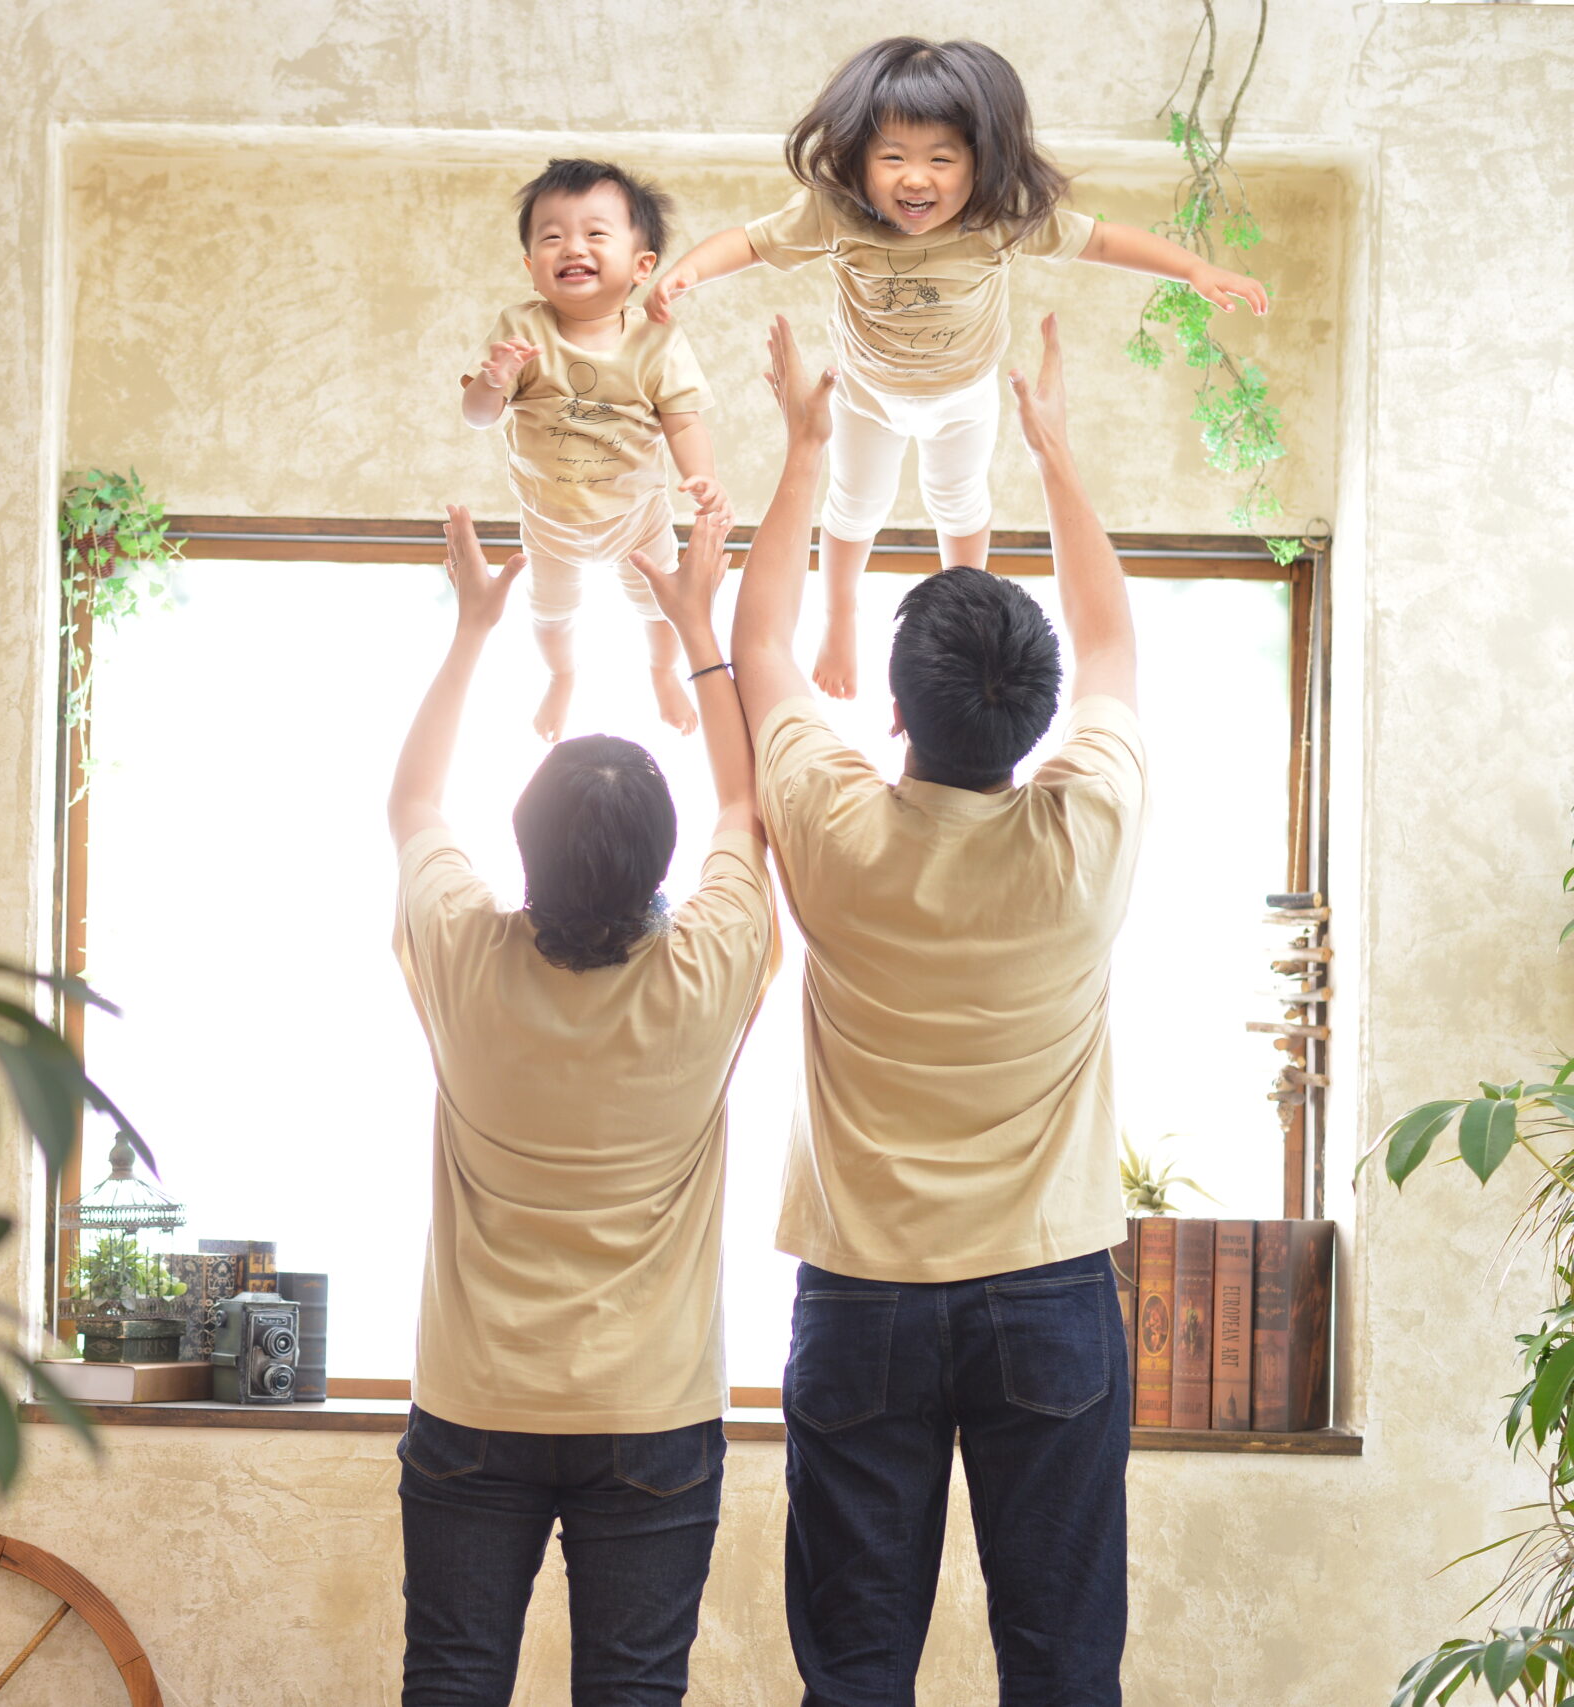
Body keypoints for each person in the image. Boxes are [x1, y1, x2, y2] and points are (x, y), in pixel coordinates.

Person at [725, 312, 1144, 1706]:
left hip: (866, 1298)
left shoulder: (839, 829)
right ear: (1033, 718)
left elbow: (764, 640)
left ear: (894, 711)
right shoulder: (1085, 834)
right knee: (1066, 1666)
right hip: (1051, 1294)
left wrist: (803, 448)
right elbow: (1110, 639)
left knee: (852, 1676)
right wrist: (1054, 449)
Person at [387, 502, 776, 1706]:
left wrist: (472, 631)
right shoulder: (709, 969)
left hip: (472, 1400)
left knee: (449, 1682)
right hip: (651, 1415)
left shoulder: (461, 950)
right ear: (659, 860)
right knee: (633, 1689)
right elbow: (747, 808)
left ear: (525, 844)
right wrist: (696, 624)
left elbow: (411, 807)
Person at [648, 35, 1266, 699]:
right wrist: (690, 271)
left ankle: (962, 617)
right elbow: (749, 241)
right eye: (892, 158)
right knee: (855, 505)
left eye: (941, 159)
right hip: (867, 394)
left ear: (981, 163)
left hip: (965, 394)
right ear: (858, 160)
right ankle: (839, 618)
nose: (916, 178)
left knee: (961, 501)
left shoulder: (1000, 217)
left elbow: (1103, 240)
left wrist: (1192, 268)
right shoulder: (834, 212)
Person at [462, 158, 727, 743]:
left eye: (595, 233)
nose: (571, 246)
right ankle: (562, 676)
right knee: (551, 614)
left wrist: (702, 477)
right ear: (532, 268)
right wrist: (493, 379)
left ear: (642, 265)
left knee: (662, 606)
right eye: (552, 236)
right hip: (550, 522)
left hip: (638, 516)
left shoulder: (656, 338)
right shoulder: (522, 329)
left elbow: (683, 423)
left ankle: (662, 672)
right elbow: (479, 417)